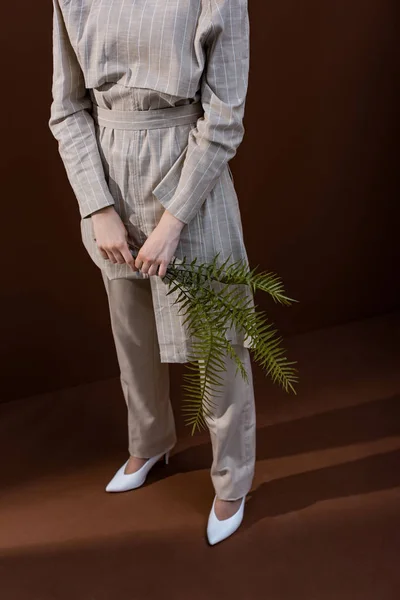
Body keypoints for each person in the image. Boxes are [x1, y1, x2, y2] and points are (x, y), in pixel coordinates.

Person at [49, 0, 255, 545]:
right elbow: (68, 109)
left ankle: (232, 478)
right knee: (132, 333)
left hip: (190, 176)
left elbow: (226, 115)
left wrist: (173, 219)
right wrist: (97, 208)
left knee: (219, 345)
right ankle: (151, 441)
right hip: (110, 183)